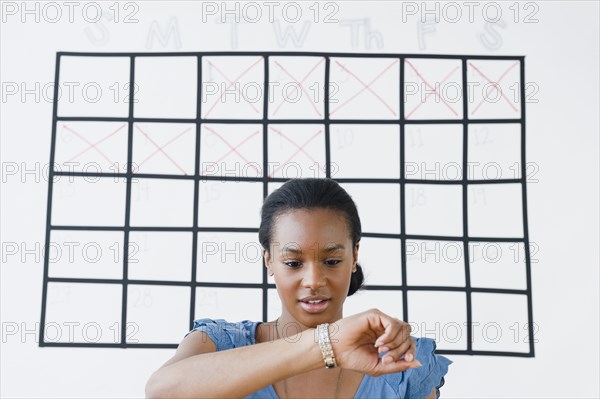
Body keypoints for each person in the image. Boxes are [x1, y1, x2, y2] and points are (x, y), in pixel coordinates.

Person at [145, 178, 452, 398]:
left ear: (354, 255)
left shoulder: (400, 366)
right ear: (269, 260)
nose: (314, 281)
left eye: (332, 261)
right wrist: (327, 344)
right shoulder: (217, 344)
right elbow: (161, 392)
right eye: (293, 263)